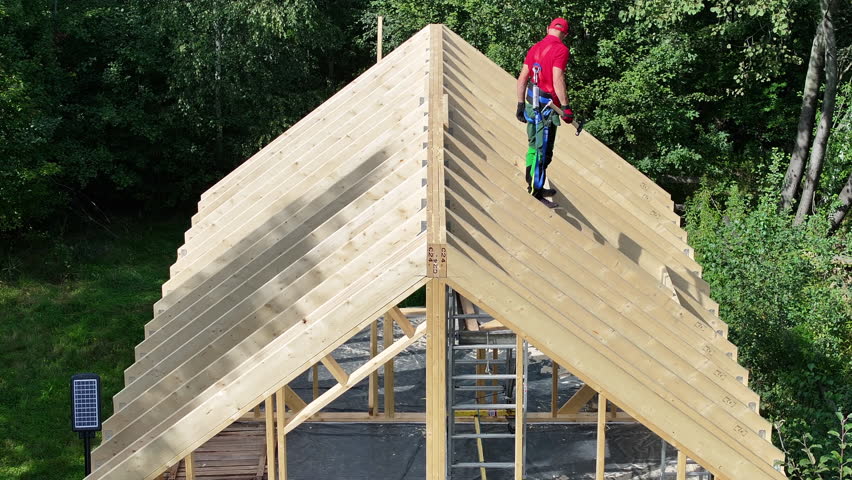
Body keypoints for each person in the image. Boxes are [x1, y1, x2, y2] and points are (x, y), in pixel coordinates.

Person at [515, 17, 573, 208]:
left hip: (532, 103)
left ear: (548, 28)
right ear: (564, 34)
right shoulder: (561, 50)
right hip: (546, 109)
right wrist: (565, 107)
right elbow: (557, 78)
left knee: (534, 145)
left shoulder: (535, 47)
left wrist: (520, 104)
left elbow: (523, 77)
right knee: (543, 151)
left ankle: (533, 181)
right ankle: (535, 190)